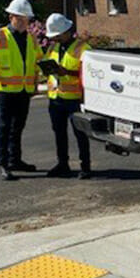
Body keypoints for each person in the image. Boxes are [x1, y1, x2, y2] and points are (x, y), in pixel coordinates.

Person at [0, 0, 43, 181]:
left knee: (18, 127)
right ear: (11, 16)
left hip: (24, 90)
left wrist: (36, 84)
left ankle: (16, 160)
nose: (24, 22)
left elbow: (36, 62)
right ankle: (3, 164)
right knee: (4, 128)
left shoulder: (31, 38)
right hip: (5, 90)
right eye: (20, 18)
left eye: (27, 19)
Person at [42, 13, 92, 179]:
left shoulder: (83, 49)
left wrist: (67, 72)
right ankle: (62, 164)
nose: (54, 39)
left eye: (57, 35)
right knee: (59, 133)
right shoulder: (53, 47)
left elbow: (90, 74)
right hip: (56, 98)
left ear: (66, 32)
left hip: (75, 100)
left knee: (80, 134)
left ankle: (85, 166)